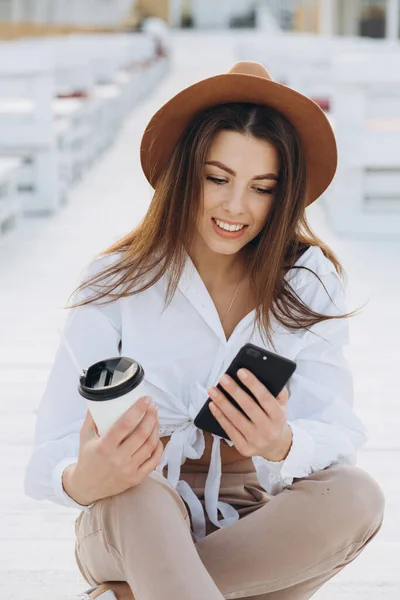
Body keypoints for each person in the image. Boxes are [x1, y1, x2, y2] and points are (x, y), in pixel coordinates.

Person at [24, 62, 385, 600]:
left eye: (262, 188)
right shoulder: (115, 282)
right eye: (217, 179)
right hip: (128, 507)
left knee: (358, 496)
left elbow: (338, 434)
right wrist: (85, 478)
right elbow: (48, 455)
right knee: (140, 495)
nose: (236, 207)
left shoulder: (308, 280)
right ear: (183, 174)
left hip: (252, 515)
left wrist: (280, 442)